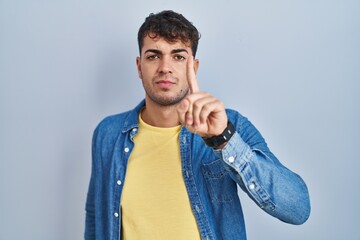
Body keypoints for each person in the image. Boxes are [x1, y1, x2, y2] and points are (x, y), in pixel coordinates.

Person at [85, 10, 310, 240]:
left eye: (178, 56)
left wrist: (223, 139)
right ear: (139, 66)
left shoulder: (230, 125)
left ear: (194, 67)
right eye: (153, 56)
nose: (165, 67)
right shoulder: (108, 133)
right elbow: (96, 217)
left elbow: (298, 209)